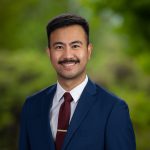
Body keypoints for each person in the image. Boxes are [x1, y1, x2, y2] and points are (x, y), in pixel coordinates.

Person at [19, 13, 136, 150]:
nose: (68, 55)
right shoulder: (32, 106)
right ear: (49, 53)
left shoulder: (113, 109)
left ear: (89, 51)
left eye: (75, 46)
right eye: (59, 47)